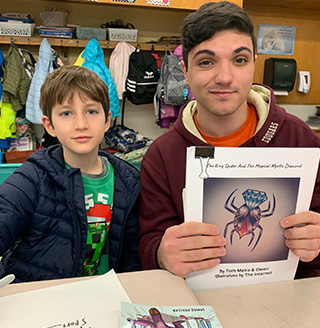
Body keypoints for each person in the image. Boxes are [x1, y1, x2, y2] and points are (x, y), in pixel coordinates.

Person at [139, 1, 320, 279]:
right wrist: (161, 253)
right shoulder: (161, 157)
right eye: (206, 62)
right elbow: (149, 242)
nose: (224, 77)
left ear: (254, 65)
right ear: (185, 71)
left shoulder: (300, 140)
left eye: (239, 60)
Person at [0, 65, 141, 282]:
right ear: (50, 125)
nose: (81, 124)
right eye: (67, 113)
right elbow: (6, 213)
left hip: (103, 297)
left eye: (91, 111)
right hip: (39, 297)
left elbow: (131, 255)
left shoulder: (129, 181)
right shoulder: (34, 175)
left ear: (106, 121)